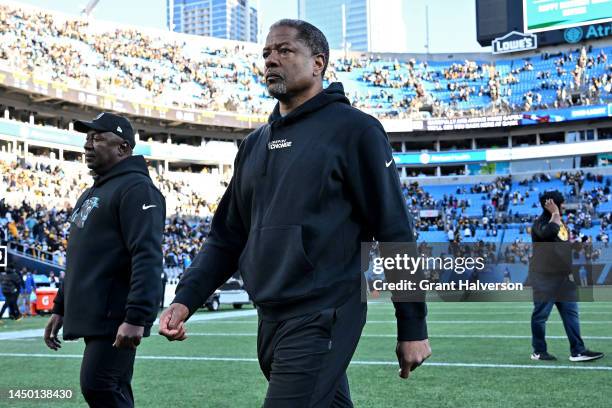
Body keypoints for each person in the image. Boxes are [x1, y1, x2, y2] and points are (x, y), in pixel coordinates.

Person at [159, 20, 430, 407]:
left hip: (325, 311)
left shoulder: (356, 131)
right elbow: (226, 237)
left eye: (284, 51)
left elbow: (393, 229)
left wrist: (412, 326)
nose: (271, 60)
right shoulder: (254, 145)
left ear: (318, 62)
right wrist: (185, 299)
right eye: (266, 53)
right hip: (270, 315)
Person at [43, 112, 166, 408]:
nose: (87, 144)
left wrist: (136, 317)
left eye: (97, 138)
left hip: (116, 315)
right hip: (97, 312)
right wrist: (61, 307)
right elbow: (80, 257)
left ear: (123, 147)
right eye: (87, 138)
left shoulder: (137, 189)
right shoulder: (92, 191)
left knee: (100, 385)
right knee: (108, 388)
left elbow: (147, 255)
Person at [529, 190, 603, 362]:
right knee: (540, 316)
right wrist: (554, 213)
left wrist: (578, 246)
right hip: (544, 277)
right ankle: (539, 351)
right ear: (552, 204)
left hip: (563, 277)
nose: (563, 207)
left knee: (571, 313)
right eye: (560, 204)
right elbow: (547, 233)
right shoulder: (539, 223)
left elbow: (562, 246)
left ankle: (578, 351)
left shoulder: (561, 224)